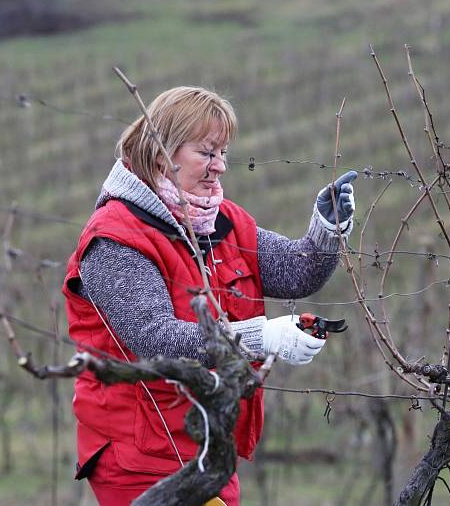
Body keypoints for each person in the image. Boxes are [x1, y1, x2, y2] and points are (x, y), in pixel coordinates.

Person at [63, 86, 357, 505]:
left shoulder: (221, 220)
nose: (220, 167)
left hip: (209, 446)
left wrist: (326, 230)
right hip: (139, 453)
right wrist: (262, 338)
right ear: (162, 154)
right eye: (206, 153)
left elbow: (294, 272)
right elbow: (156, 339)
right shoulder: (114, 238)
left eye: (223, 153)